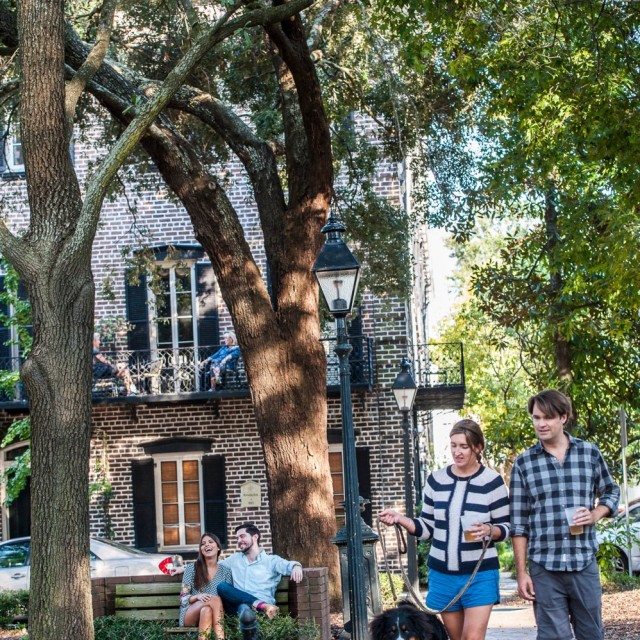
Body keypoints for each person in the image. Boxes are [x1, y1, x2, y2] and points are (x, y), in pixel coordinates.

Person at [379, 419, 510, 640]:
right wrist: (401, 519)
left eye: (464, 446)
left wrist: (489, 530)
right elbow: (427, 527)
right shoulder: (436, 480)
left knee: (472, 638)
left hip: (479, 575)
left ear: (477, 447)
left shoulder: (492, 482)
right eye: (453, 445)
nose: (457, 452)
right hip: (443, 575)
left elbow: (507, 527)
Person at [510, 389, 620, 640]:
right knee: (552, 637)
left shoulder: (589, 453)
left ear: (563, 417)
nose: (540, 423)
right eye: (536, 418)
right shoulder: (523, 463)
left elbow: (611, 491)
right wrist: (521, 573)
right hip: (545, 567)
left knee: (592, 634)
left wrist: (596, 514)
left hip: (584, 562)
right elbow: (518, 523)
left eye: (547, 417)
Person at [217, 522, 303, 615]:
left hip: (263, 614)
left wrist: (296, 566)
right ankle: (261, 605)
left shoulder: (271, 561)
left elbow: (287, 565)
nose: (239, 540)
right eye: (237, 538)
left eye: (242, 536)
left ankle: (261, 608)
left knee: (244, 608)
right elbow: (213, 566)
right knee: (222, 587)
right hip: (239, 609)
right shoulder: (234, 559)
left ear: (255, 537)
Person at [180, 533, 229, 640]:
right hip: (190, 614)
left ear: (218, 547)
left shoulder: (226, 571)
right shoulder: (190, 569)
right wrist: (197, 597)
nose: (206, 545)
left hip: (215, 614)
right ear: (201, 549)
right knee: (213, 600)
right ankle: (220, 637)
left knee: (206, 610)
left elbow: (228, 598)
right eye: (203, 544)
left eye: (211, 542)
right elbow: (183, 598)